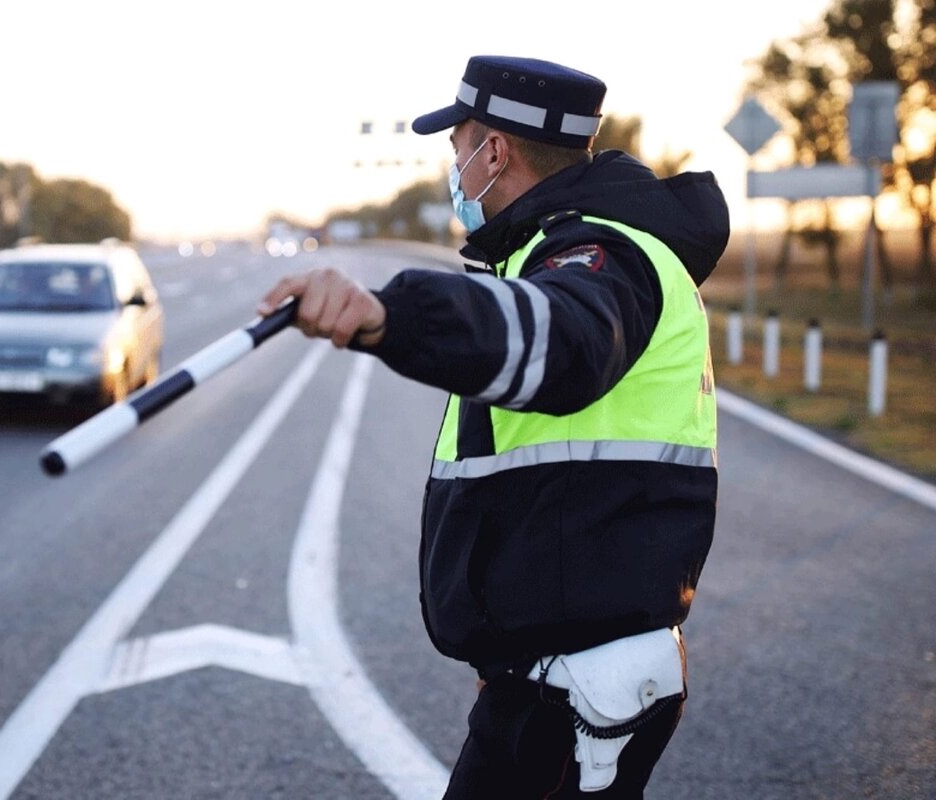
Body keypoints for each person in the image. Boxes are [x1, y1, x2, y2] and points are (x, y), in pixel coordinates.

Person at [259, 54, 729, 798]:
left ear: (495, 151)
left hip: (583, 687)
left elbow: (566, 341)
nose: (455, 171)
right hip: (548, 675)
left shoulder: (605, 255)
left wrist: (391, 315)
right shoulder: (553, 255)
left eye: (457, 149)